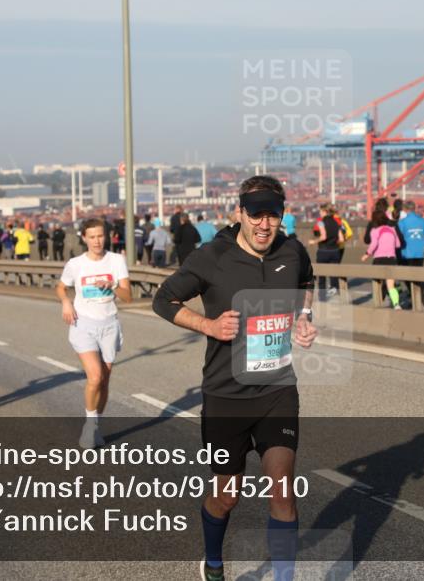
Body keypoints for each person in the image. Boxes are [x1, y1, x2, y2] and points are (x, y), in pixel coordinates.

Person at [152, 175, 317, 581]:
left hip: (277, 390)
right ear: (239, 212)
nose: (264, 225)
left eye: (273, 216)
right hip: (226, 395)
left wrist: (304, 318)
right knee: (228, 495)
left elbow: (306, 284)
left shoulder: (292, 251)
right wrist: (208, 326)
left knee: (282, 488)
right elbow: (163, 299)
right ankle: (212, 561)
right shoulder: (213, 256)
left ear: (282, 216)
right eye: (256, 215)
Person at [56, 219, 132, 449]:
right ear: (84, 238)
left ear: (105, 236)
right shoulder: (76, 264)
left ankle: (96, 424)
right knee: (95, 376)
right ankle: (90, 426)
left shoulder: (116, 260)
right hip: (83, 324)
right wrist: (66, 303)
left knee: (105, 381)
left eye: (100, 236)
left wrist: (110, 286)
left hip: (109, 324)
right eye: (92, 237)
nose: (97, 241)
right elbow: (61, 287)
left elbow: (128, 296)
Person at [362, 208, 403, 309]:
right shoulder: (392, 230)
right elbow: (398, 244)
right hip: (392, 259)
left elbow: (374, 244)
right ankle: (396, 304)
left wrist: (367, 254)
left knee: (377, 283)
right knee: (391, 285)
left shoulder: (374, 231)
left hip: (379, 259)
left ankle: (378, 304)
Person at [397, 200, 424, 307]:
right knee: (417, 275)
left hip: (406, 253)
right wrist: (423, 244)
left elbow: (398, 239)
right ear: (414, 208)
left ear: (404, 209)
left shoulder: (402, 223)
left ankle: (414, 298)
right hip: (420, 253)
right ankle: (423, 293)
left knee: (407, 276)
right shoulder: (423, 222)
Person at [308, 203, 344, 300]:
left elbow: (323, 236)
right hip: (335, 251)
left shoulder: (321, 222)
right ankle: (335, 290)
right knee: (334, 272)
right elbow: (341, 239)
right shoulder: (337, 222)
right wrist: (333, 242)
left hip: (324, 251)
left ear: (325, 211)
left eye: (320, 211)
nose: (319, 213)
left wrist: (313, 241)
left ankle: (322, 297)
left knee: (322, 275)